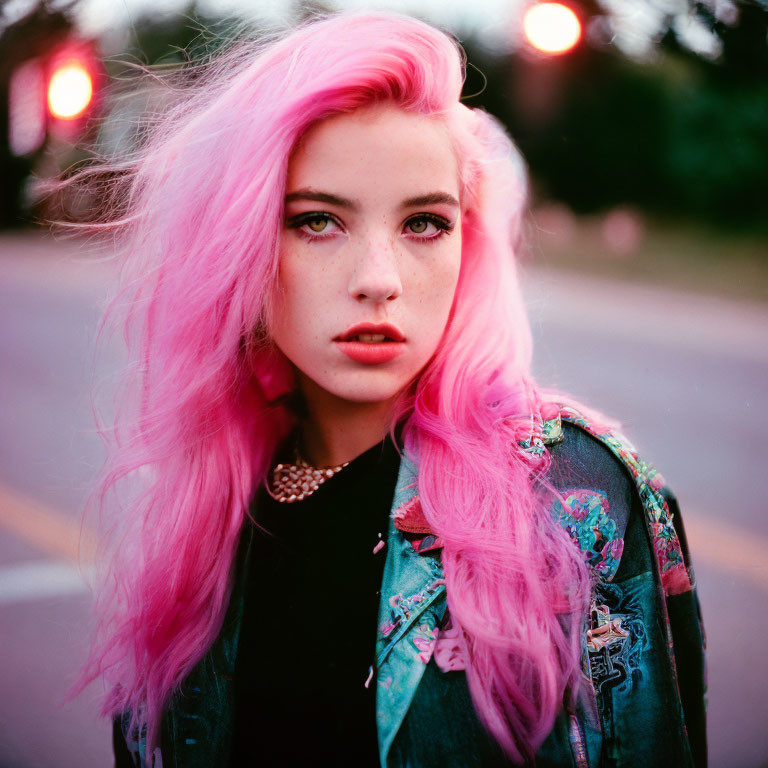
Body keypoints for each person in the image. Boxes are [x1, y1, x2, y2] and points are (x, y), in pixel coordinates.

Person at [72, 10, 706, 768]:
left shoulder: (575, 495)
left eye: (425, 225)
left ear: (467, 242)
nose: (378, 281)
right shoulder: (201, 512)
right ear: (237, 242)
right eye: (316, 221)